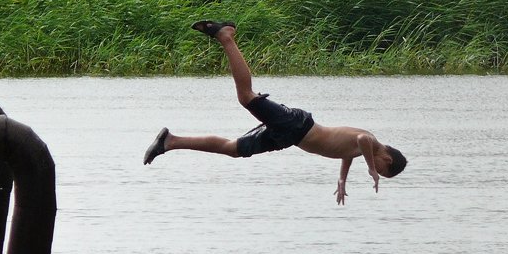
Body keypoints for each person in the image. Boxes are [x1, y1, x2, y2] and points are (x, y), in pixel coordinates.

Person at [143, 21, 407, 204]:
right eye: (382, 170)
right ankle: (225, 36)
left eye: (378, 173)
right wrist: (372, 169)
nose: (375, 173)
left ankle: (170, 142)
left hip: (288, 137)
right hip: (297, 126)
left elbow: (348, 152)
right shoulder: (371, 142)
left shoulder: (363, 151)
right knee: (246, 97)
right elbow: (361, 141)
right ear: (387, 159)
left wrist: (342, 180)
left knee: (233, 149)